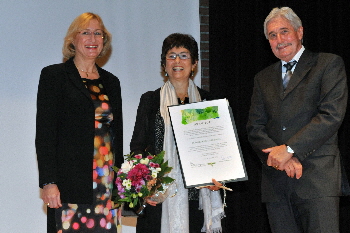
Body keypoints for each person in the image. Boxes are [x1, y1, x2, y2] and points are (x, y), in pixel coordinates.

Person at [246, 7, 348, 233]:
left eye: (284, 31)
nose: (279, 40)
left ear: (300, 32)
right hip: (277, 184)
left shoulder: (328, 64)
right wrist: (281, 157)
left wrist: (290, 149)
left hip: (317, 181)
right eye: (272, 35)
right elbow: (255, 128)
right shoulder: (262, 78)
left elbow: (331, 116)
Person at [36, 12, 123, 233]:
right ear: (73, 40)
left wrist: (121, 190)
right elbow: (45, 134)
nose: (92, 39)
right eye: (85, 33)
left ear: (104, 41)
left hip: (105, 184)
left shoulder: (111, 82)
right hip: (69, 185)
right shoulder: (54, 76)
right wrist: (48, 182)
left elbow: (117, 137)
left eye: (98, 34)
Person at [130, 33, 225, 233]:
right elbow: (137, 147)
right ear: (164, 64)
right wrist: (143, 187)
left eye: (183, 55)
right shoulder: (150, 100)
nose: (177, 61)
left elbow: (217, 149)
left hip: (197, 196)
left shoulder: (207, 102)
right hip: (158, 194)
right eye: (171, 56)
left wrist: (219, 176)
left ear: (194, 63)